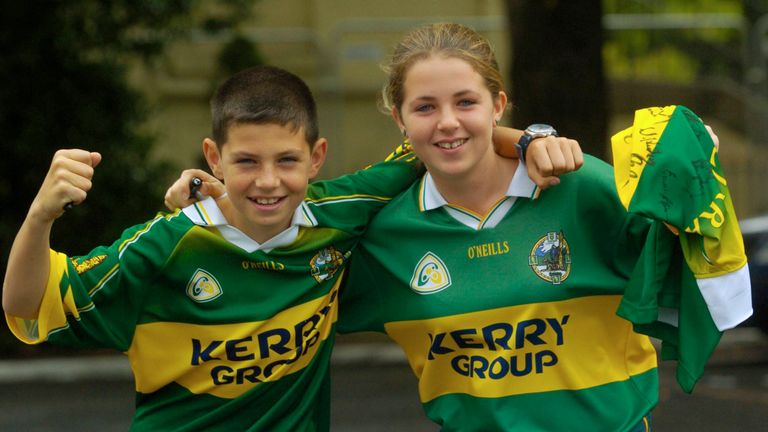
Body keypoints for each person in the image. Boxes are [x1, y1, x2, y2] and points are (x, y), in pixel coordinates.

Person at [2, 64, 580, 431]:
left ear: (317, 157)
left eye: (286, 160)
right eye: (246, 162)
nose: (268, 181)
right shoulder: (162, 245)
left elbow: (437, 142)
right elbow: (27, 303)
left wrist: (530, 140)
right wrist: (40, 215)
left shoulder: (340, 212)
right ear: (213, 158)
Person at [332, 23, 751, 431]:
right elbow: (303, 312)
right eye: (425, 107)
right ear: (399, 118)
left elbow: (689, 266)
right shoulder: (385, 235)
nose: (446, 122)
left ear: (498, 106)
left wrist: (690, 171)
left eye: (466, 102)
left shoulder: (585, 188)